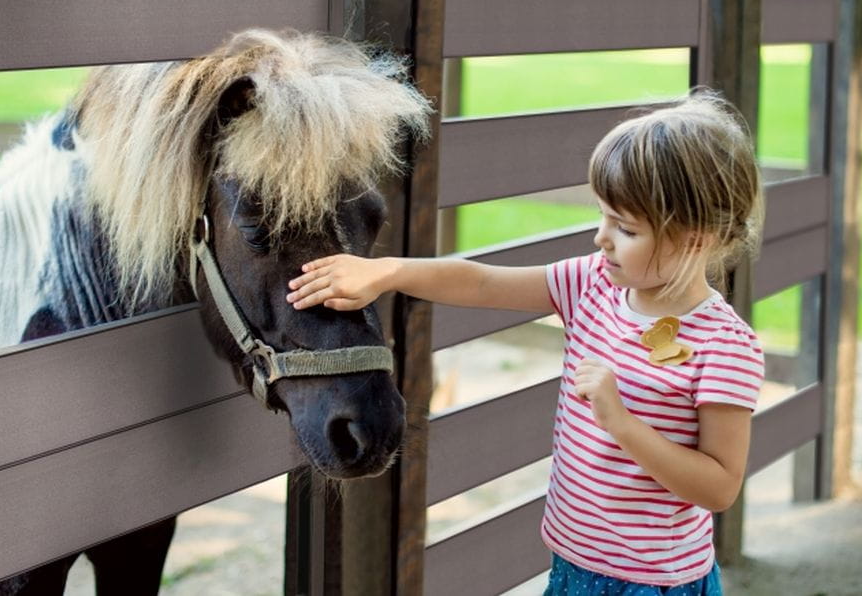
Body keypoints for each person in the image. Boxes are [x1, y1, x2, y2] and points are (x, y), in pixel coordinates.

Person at [286, 88, 765, 595]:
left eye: (625, 228)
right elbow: (482, 283)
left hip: (654, 584)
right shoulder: (592, 286)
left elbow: (719, 487)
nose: (601, 238)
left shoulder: (724, 347)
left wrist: (621, 423)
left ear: (694, 240)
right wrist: (387, 272)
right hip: (573, 563)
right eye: (603, 215)